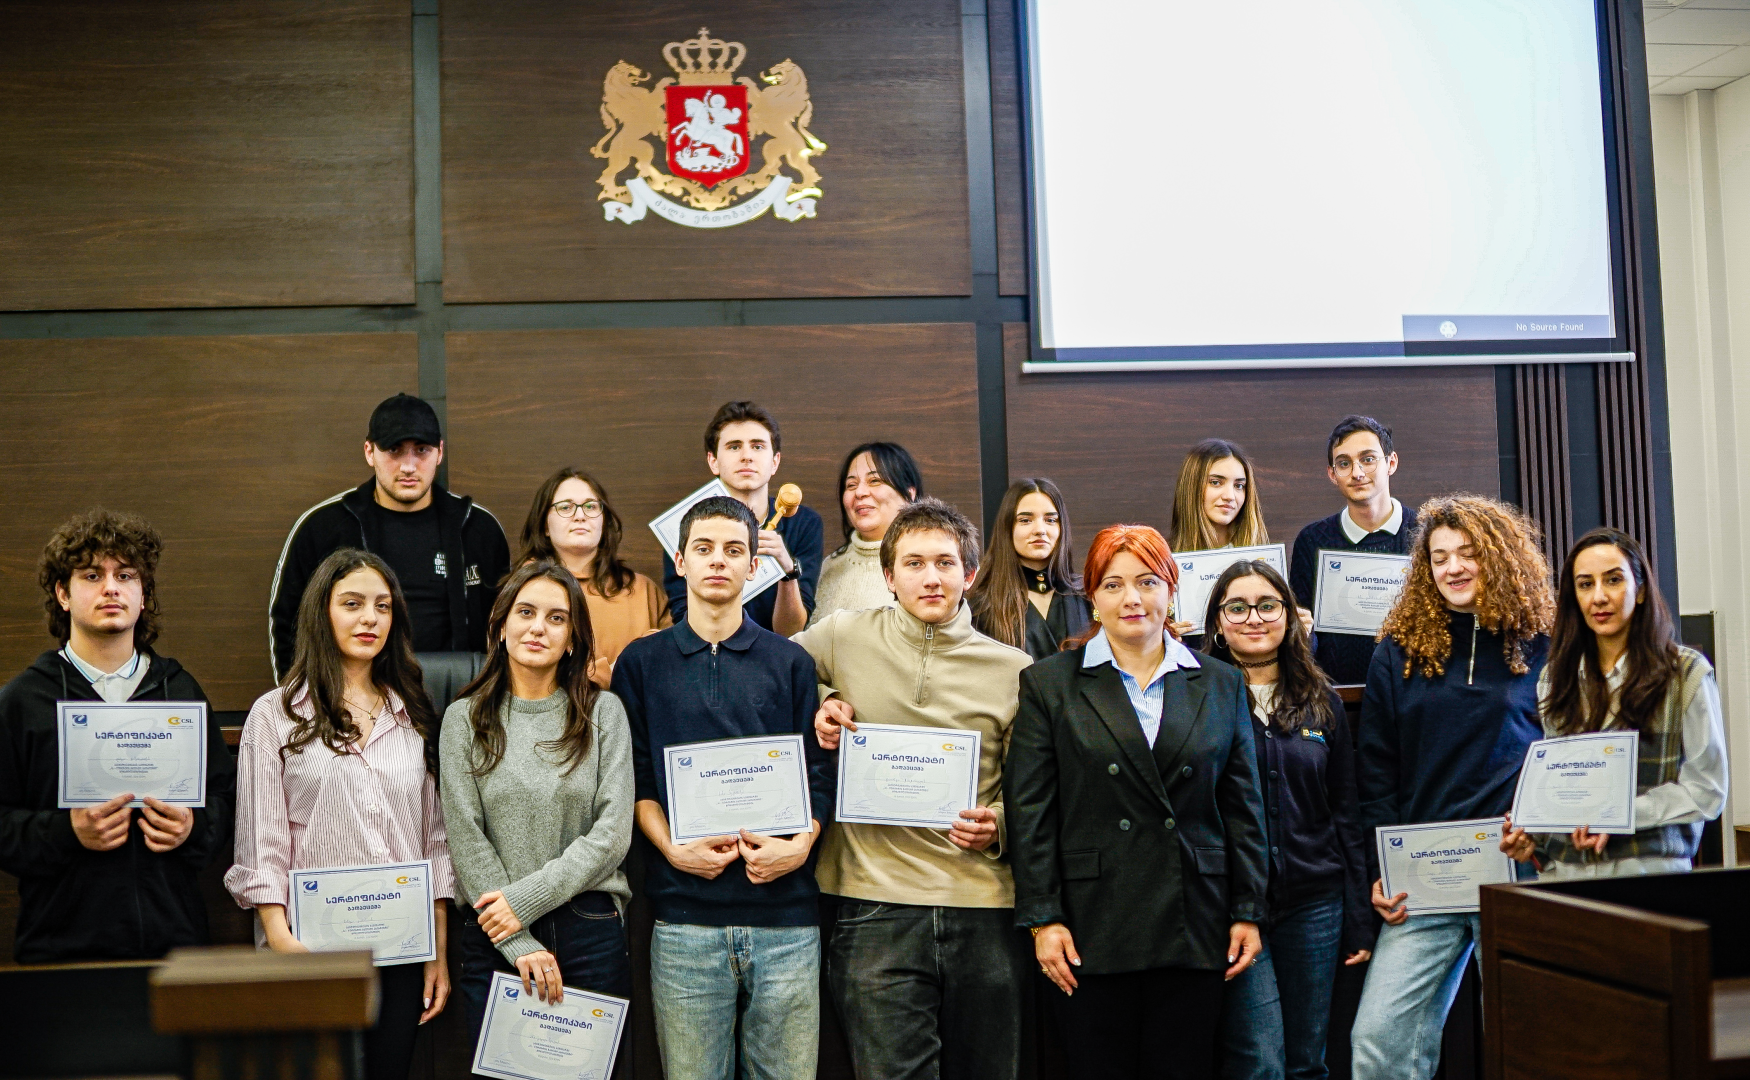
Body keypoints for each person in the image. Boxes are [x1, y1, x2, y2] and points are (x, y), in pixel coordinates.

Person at [1006, 524, 1267, 1080]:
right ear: (1092, 598)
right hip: (1090, 923)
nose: (1132, 598)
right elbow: (1030, 812)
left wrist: (1248, 909)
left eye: (1148, 582)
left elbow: (1243, 806)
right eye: (1113, 584)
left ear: (1171, 590)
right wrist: (1043, 918)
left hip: (1196, 917)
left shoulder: (1220, 682)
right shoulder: (1049, 684)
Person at [799, 497, 1035, 1080]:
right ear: (888, 576)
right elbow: (772, 674)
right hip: (873, 905)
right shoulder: (841, 635)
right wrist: (823, 701)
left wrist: (1000, 825)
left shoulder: (1015, 669)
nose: (931, 577)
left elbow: (1036, 789)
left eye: (945, 563)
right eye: (914, 563)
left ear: (969, 574)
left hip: (984, 907)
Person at [615, 495, 833, 1080]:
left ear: (753, 566)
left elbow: (817, 773)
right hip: (685, 923)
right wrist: (671, 849)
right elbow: (635, 777)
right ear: (680, 561)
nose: (718, 560)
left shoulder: (791, 661)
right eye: (704, 548)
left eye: (734, 550)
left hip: (786, 920)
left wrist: (801, 846)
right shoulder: (640, 663)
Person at [227, 549, 453, 1080]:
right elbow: (262, 843)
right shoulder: (275, 714)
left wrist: (436, 948)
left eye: (382, 606)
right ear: (321, 613)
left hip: (400, 949)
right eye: (352, 604)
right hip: (308, 948)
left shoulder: (413, 713)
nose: (370, 618)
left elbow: (433, 840)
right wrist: (282, 942)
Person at [1350, 494, 1554, 1080]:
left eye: (1468, 553)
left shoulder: (1542, 643)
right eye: (1439, 558)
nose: (1453, 568)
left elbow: (1565, 754)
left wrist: (1542, 836)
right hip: (1423, 879)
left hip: (1517, 872)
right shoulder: (1397, 651)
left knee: (1528, 1043)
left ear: (1499, 556)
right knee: (1378, 1041)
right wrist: (1380, 868)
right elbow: (1377, 772)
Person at [0, 509, 235, 964]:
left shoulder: (180, 692)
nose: (111, 588)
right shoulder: (23, 700)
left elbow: (224, 801)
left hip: (174, 946)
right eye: (92, 575)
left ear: (143, 596)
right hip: (60, 951)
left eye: (125, 575)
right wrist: (66, 831)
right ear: (63, 594)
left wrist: (193, 828)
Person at [440, 560, 636, 1056]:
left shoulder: (604, 713)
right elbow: (465, 837)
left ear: (571, 639)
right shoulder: (462, 719)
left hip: (587, 926)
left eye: (556, 618)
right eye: (525, 612)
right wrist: (517, 941)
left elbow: (612, 834)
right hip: (495, 933)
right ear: (501, 626)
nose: (538, 628)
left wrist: (524, 902)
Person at [1201, 561, 1371, 1080]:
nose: (1254, 618)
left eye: (1268, 605)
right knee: (1260, 1061)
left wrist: (1358, 916)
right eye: (1237, 607)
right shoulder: (1198, 698)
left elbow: (1346, 814)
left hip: (1315, 904)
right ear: (1218, 622)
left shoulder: (1323, 702)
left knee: (1307, 1062)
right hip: (1231, 908)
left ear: (1290, 616)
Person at [1500, 528, 1727, 878]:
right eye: (1585, 584)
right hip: (1564, 876)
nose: (1599, 597)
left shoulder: (1686, 673)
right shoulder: (1554, 678)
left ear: (1640, 591)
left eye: (1613, 580)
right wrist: (1532, 832)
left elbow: (1706, 790)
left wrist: (1621, 816)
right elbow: (1561, 788)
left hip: (1646, 873)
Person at [270, 393, 512, 708]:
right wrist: (308, 707)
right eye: (394, 450)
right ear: (369, 452)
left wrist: (493, 707)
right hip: (352, 705)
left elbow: (506, 628)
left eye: (421, 450)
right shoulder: (323, 527)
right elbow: (288, 626)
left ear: (439, 452)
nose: (408, 466)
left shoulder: (479, 528)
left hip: (462, 704)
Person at [661, 401, 824, 636]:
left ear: (775, 461)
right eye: (734, 447)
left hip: (776, 653)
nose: (747, 456)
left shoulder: (804, 523)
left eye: (757, 447)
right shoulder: (685, 524)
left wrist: (787, 571)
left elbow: (792, 631)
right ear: (713, 461)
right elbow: (684, 619)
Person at [1288, 416, 1414, 685]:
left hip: (1413, 691)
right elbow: (1302, 637)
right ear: (1332, 474)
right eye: (1344, 463)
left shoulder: (1427, 533)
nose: (1357, 473)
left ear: (1391, 463)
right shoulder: (1311, 541)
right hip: (1335, 696)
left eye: (1368, 459)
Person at [516, 466, 670, 687]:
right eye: (566, 507)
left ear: (604, 522)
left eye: (590, 507)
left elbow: (672, 662)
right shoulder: (522, 589)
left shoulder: (643, 589)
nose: (580, 516)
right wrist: (616, 671)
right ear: (544, 525)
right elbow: (525, 673)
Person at [967, 478, 1092, 662]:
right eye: (1025, 520)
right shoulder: (980, 605)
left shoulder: (1088, 595)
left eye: (1050, 520)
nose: (1040, 530)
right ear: (1007, 528)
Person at [810, 441, 924, 624]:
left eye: (875, 481)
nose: (860, 492)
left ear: (910, 494)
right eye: (851, 485)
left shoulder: (929, 563)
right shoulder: (829, 566)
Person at [1170, 439, 1270, 554]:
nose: (1230, 496)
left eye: (1238, 486)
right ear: (1192, 487)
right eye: (1216, 482)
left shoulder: (1263, 557)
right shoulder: (1163, 559)